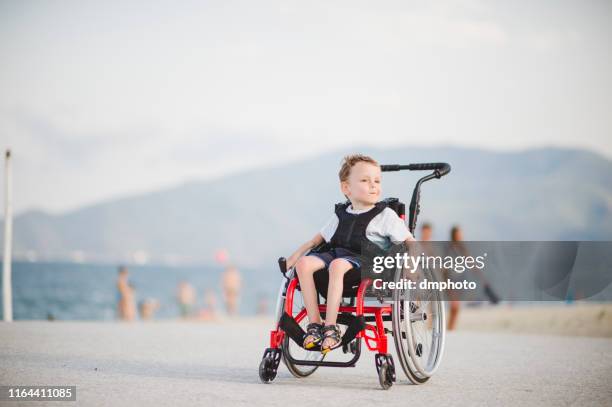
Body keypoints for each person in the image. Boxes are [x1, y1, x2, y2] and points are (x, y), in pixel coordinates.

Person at [286, 154, 416, 354]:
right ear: (346, 188)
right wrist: (294, 257)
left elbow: (409, 241)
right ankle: (315, 325)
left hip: (368, 261)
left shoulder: (385, 215)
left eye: (377, 181)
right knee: (304, 265)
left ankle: (331, 328)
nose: (373, 185)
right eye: (365, 180)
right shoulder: (340, 214)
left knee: (338, 265)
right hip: (337, 254)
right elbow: (315, 241)